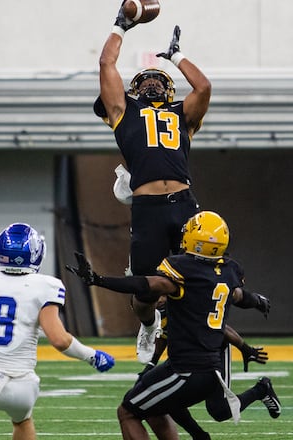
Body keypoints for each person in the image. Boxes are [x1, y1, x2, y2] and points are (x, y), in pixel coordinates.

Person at [68, 211, 279, 440]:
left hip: (188, 370)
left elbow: (146, 284)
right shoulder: (228, 271)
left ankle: (204, 431)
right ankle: (200, 434)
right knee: (155, 403)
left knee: (127, 412)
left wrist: (98, 280)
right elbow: (238, 296)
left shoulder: (182, 271)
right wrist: (258, 301)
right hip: (207, 367)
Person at [96, 1, 211, 364]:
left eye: (158, 79)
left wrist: (176, 56)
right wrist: (120, 25)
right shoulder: (123, 112)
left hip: (183, 201)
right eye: (145, 80)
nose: (151, 82)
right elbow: (106, 64)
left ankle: (197, 335)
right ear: (132, 90)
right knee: (145, 291)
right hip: (147, 208)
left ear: (170, 89)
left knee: (196, 279)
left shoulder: (182, 115)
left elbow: (204, 86)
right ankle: (148, 325)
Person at [0, 223, 115, 440]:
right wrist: (92, 356)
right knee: (23, 421)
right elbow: (59, 339)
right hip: (23, 386)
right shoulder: (46, 285)